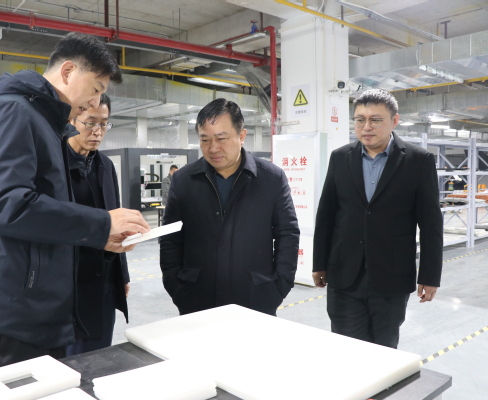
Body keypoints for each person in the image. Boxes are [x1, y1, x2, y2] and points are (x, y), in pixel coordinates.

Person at [0, 32, 150, 374]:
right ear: (68, 71)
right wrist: (102, 223)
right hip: (9, 314)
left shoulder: (44, 122)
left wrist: (102, 238)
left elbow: (44, 214)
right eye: (96, 88)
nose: (94, 101)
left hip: (33, 308)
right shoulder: (11, 111)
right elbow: (5, 205)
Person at [313, 88, 443, 349]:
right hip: (344, 274)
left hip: (391, 276)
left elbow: (431, 224)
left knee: (384, 349)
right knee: (346, 347)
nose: (366, 127)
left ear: (394, 121)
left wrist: (430, 276)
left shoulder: (418, 161)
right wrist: (319, 263)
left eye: (375, 120)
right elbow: (326, 214)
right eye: (360, 120)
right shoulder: (340, 158)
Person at [160, 98, 300, 316]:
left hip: (255, 297)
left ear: (241, 136)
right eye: (205, 139)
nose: (213, 148)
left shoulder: (271, 178)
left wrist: (279, 286)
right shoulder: (184, 180)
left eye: (221, 138)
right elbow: (170, 238)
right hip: (197, 298)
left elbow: (287, 234)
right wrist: (177, 286)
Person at [64, 94, 130, 355]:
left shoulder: (105, 166)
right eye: (91, 123)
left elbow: (116, 220)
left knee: (100, 355)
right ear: (72, 120)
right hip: (70, 284)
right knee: (70, 359)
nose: (98, 131)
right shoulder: (56, 164)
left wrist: (122, 274)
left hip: (104, 281)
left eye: (104, 124)